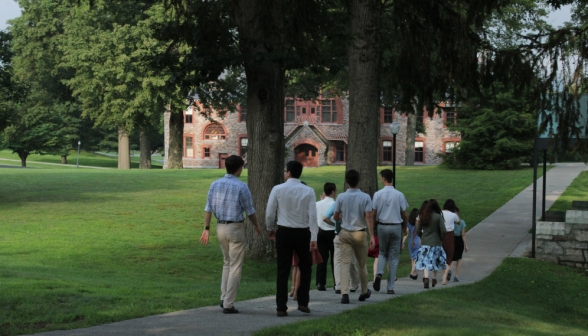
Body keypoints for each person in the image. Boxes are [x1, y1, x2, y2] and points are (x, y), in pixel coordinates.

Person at [200, 155, 261, 314]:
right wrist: (256, 225)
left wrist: (206, 228)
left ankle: (223, 297)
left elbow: (208, 208)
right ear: (239, 168)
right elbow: (250, 210)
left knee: (227, 262)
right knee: (235, 266)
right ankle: (228, 303)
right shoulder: (241, 187)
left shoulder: (215, 184)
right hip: (235, 227)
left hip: (220, 226)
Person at [266, 161, 318, 317]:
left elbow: (270, 212)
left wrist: (270, 228)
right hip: (303, 232)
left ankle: (281, 306)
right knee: (305, 267)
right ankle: (303, 301)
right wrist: (314, 236)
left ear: (288, 172)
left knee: (283, 269)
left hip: (284, 231)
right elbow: (313, 215)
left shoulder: (278, 189)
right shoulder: (308, 191)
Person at [333, 170, 374, 304]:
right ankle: (363, 291)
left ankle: (345, 293)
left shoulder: (341, 197)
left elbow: (336, 216)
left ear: (346, 181)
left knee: (345, 263)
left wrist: (342, 217)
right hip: (359, 232)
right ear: (359, 180)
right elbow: (368, 216)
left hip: (345, 232)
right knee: (362, 264)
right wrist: (372, 235)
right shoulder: (365, 197)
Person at [371, 169, 408, 295]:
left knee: (382, 252)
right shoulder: (399, 194)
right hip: (396, 226)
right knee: (393, 257)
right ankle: (390, 287)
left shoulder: (377, 194)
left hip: (382, 225)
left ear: (383, 178)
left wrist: (373, 227)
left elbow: (374, 213)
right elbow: (404, 213)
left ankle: (379, 273)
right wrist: (405, 225)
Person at [323, 201, 360, 294]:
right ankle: (354, 283)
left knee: (338, 261)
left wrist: (334, 225)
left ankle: (339, 285)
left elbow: (324, 218)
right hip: (352, 233)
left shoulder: (336, 204)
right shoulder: (354, 203)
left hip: (339, 234)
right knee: (351, 260)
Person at [415, 199, 447, 289]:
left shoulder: (423, 216)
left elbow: (418, 229)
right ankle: (434, 278)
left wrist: (421, 236)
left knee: (426, 260)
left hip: (425, 242)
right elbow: (443, 230)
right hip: (436, 242)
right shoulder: (438, 217)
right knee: (435, 260)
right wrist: (442, 237)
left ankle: (426, 277)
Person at [315, 183, 337, 291]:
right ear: (333, 192)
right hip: (333, 232)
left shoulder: (317, 204)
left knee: (322, 258)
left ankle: (320, 283)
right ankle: (336, 282)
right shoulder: (336, 204)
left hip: (321, 232)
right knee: (335, 258)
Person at [441, 199, 460, 285]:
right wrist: (456, 212)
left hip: (441, 235)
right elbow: (459, 221)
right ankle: (445, 275)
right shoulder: (453, 215)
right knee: (449, 255)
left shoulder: (440, 213)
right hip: (449, 235)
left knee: (442, 255)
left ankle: (443, 274)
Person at [403, 208, 421, 280]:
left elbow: (406, 234)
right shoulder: (419, 223)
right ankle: (412, 271)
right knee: (416, 258)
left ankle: (414, 273)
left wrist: (403, 241)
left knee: (413, 258)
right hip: (418, 241)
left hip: (410, 242)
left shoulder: (408, 224)